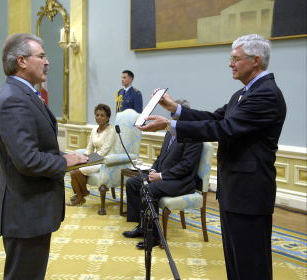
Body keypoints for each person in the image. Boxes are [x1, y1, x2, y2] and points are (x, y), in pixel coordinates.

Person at [138, 34, 286, 280]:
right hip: (234, 190)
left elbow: (224, 129)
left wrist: (170, 125)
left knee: (251, 263)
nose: (231, 63)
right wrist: (176, 109)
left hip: (249, 192)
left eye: (235, 59)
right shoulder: (243, 93)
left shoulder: (266, 94)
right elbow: (215, 118)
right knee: (235, 259)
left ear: (255, 61)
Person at [0, 33, 88, 280]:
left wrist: (68, 156)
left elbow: (36, 147)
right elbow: (27, 160)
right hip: (25, 213)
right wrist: (63, 162)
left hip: (31, 210)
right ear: (22, 61)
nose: (47, 62)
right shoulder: (15, 99)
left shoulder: (24, 94)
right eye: (42, 56)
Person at [122, 100, 203, 250]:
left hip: (181, 181)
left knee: (148, 190)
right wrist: (153, 171)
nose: (173, 117)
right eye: (172, 114)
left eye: (177, 114)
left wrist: (161, 176)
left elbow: (186, 166)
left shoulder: (194, 137)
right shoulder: (169, 133)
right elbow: (161, 157)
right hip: (164, 176)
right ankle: (142, 226)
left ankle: (154, 237)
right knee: (133, 183)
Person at [67, 103, 116, 206]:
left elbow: (104, 151)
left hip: (105, 161)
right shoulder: (94, 129)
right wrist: (83, 158)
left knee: (77, 171)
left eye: (102, 115)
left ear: (107, 118)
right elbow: (89, 147)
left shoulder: (111, 130)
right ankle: (82, 193)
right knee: (72, 170)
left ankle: (80, 195)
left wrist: (88, 160)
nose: (99, 117)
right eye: (97, 115)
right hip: (93, 159)